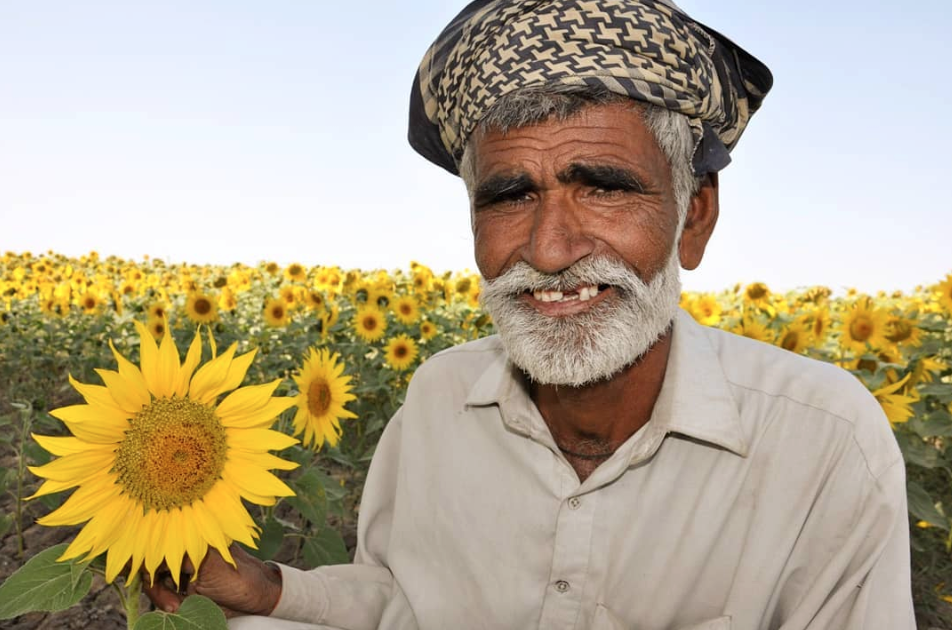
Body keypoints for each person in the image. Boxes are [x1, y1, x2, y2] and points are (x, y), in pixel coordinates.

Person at [145, 1, 916, 628]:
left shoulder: (823, 441)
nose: (548, 250)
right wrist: (270, 591)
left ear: (694, 217)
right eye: (509, 196)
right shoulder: (440, 400)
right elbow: (400, 603)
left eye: (605, 186)